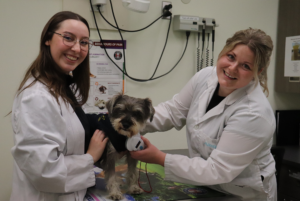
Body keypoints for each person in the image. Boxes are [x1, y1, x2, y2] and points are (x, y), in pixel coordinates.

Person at [130, 28, 277, 200]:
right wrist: (132, 122)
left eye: (246, 66)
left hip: (242, 194)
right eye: (231, 57)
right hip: (205, 187)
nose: (233, 68)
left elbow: (217, 170)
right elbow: (171, 112)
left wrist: (160, 158)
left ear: (258, 72)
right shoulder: (206, 77)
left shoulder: (254, 113)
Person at [10, 11, 108, 201]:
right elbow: (44, 171)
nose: (77, 49)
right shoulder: (37, 96)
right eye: (69, 38)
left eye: (84, 42)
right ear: (48, 39)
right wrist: (90, 157)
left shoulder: (64, 86)